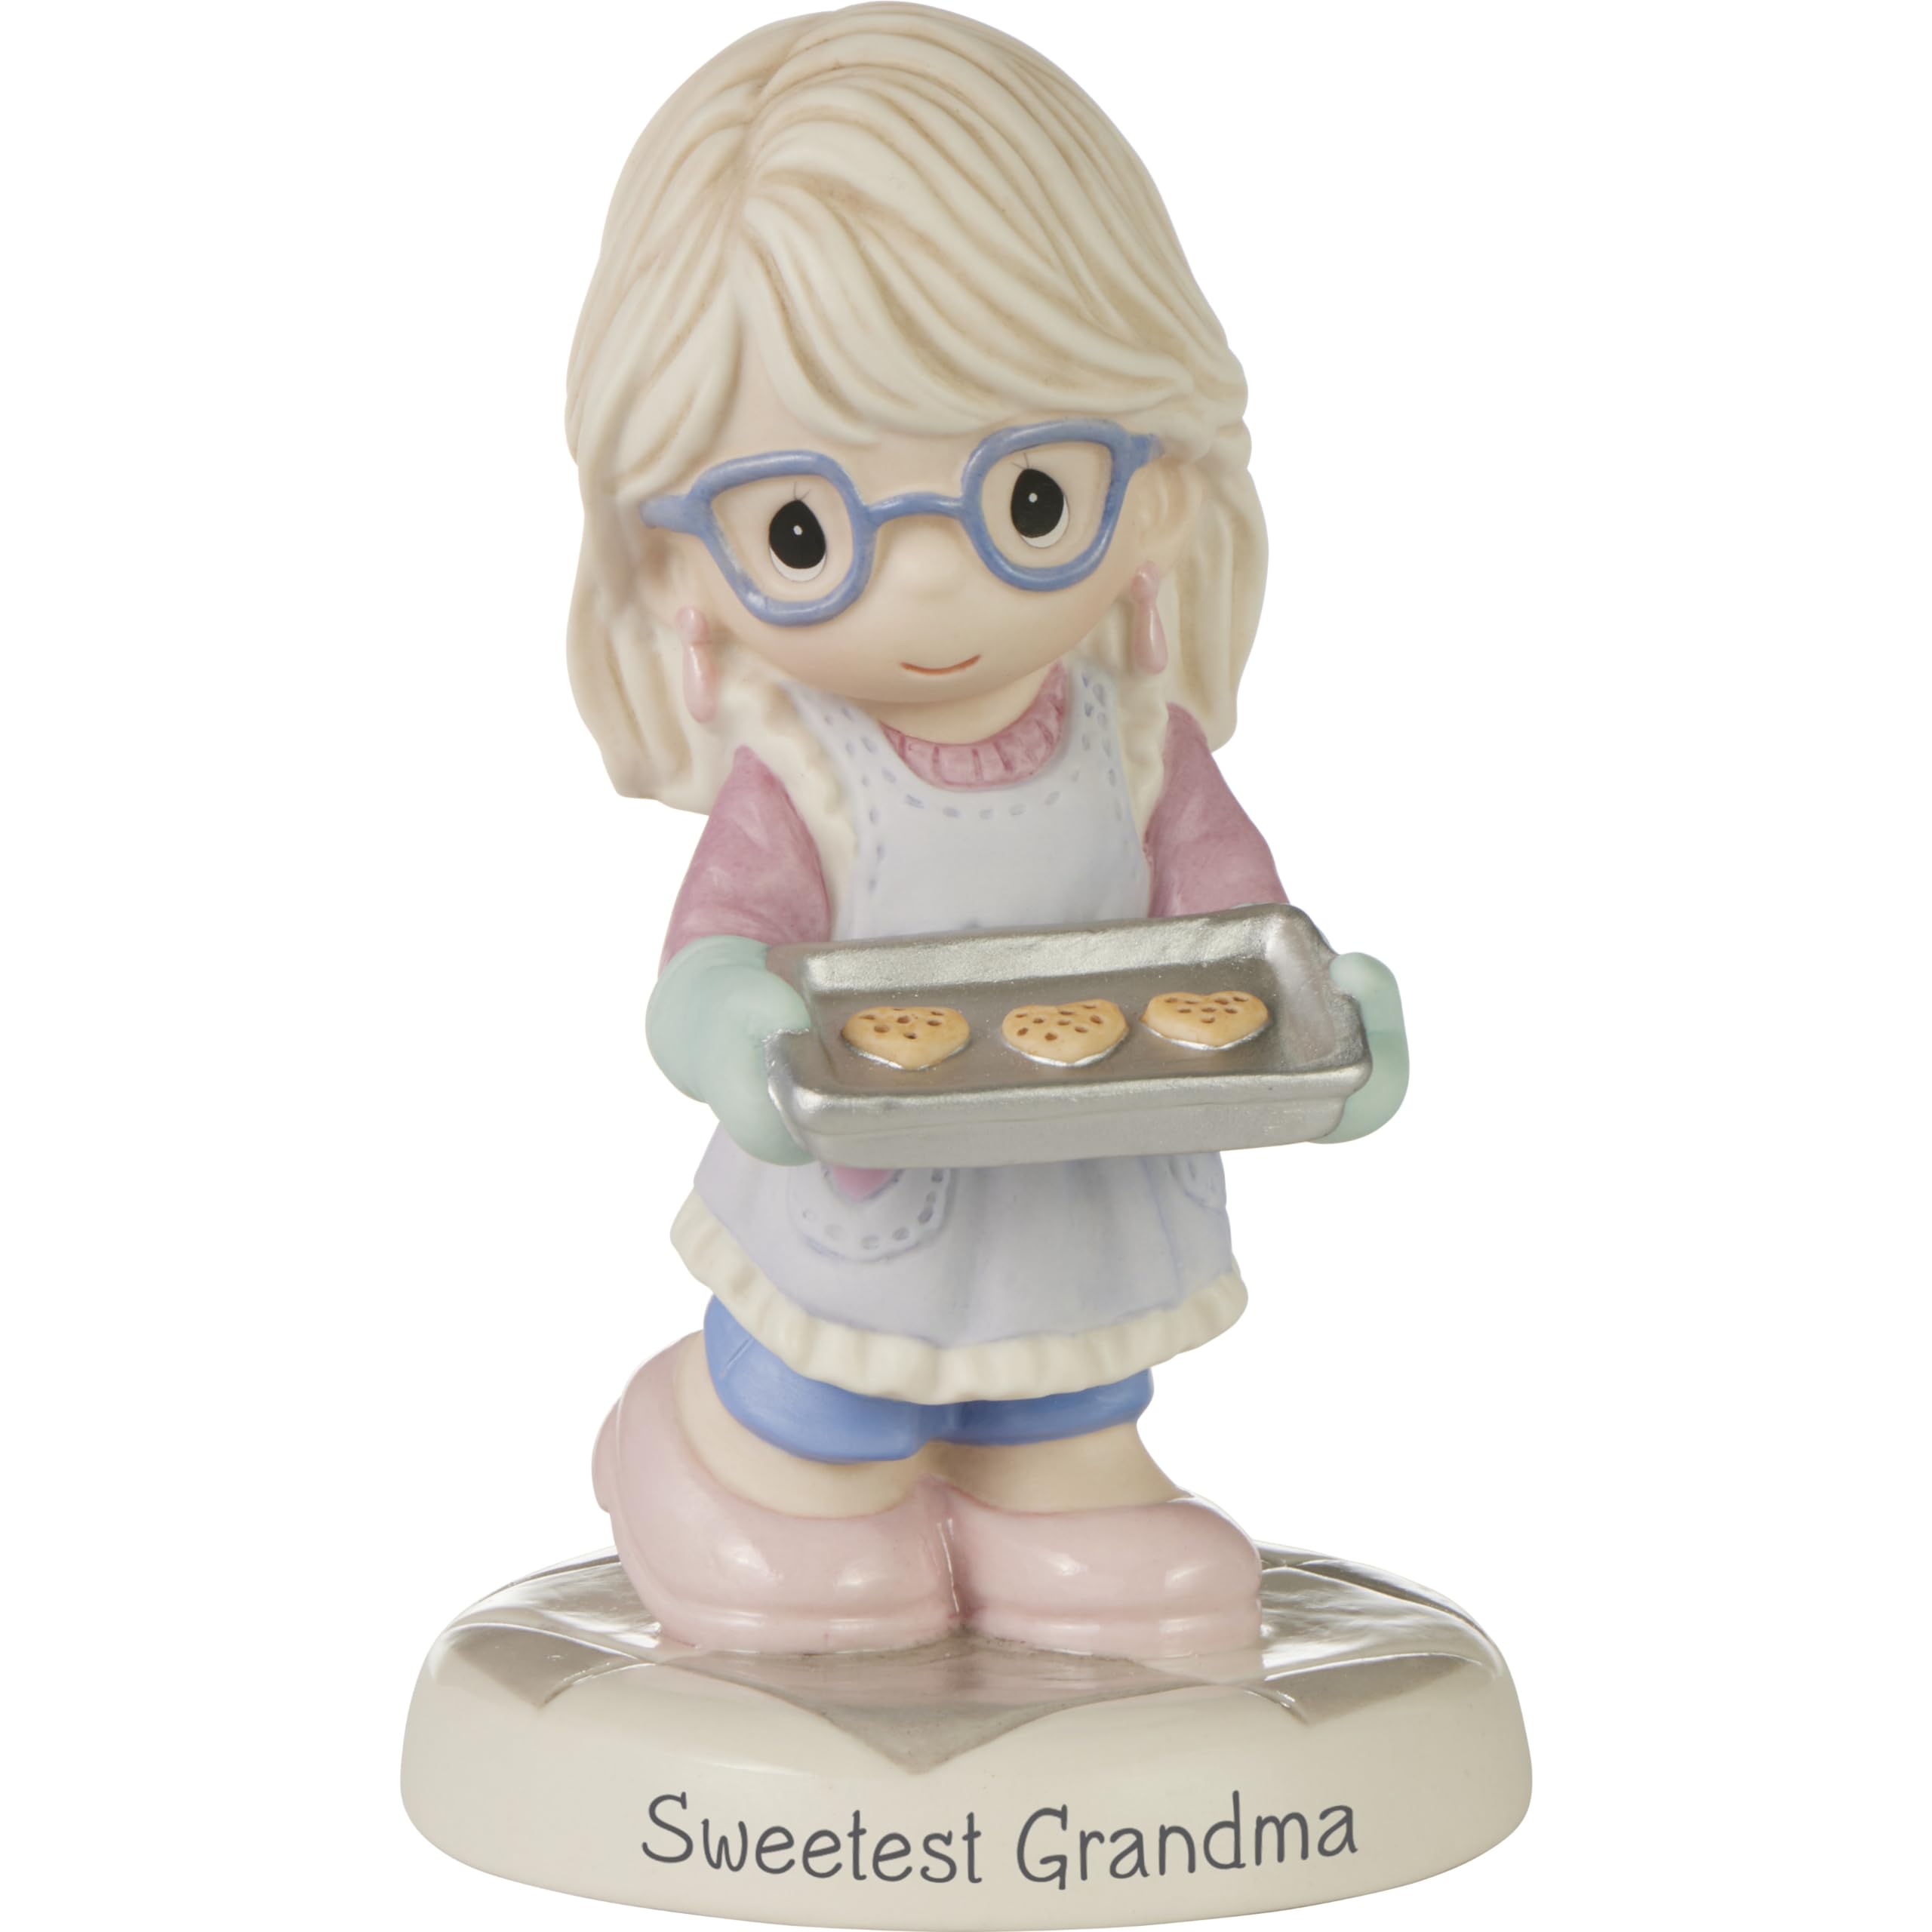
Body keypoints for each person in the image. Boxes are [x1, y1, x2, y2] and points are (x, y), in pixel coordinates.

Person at [565, 4, 1406, 1656]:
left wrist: (1328, 1021)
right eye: (802, 529)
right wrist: (729, 1027)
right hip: (868, 1191)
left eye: (1030, 499)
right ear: (683, 571)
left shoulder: (1134, 742)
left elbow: (1231, 925)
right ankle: (724, 1456)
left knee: (1071, 1370)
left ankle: (1056, 1496)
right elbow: (710, 953)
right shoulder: (807, 773)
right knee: (828, 1384)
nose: (933, 580)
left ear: (1153, 489)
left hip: (1079, 1179)